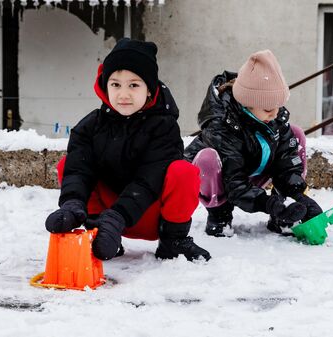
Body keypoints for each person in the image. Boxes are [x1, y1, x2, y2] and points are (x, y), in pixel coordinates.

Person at [45, 38, 211, 262]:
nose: (123, 94)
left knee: (184, 172)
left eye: (133, 85)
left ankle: (174, 242)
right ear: (105, 86)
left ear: (149, 90)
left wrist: (118, 216)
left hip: (149, 214)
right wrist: (73, 203)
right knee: (69, 164)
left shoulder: (164, 127)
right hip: (106, 218)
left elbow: (149, 180)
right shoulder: (91, 126)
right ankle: (98, 235)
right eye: (115, 84)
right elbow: (77, 169)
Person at [184, 50, 323, 237]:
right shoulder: (223, 126)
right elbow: (234, 183)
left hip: (252, 168)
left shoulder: (274, 119)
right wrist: (269, 205)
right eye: (268, 108)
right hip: (219, 179)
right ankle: (220, 216)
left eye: (278, 106)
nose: (275, 114)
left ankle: (282, 218)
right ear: (247, 103)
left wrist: (297, 196)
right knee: (208, 159)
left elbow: (286, 161)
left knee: (296, 134)